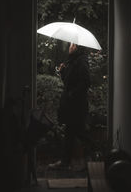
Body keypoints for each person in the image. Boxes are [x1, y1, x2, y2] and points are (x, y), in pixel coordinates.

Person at [49, 42, 91, 170]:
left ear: (76, 47)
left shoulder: (81, 61)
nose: (69, 47)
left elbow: (86, 82)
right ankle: (66, 162)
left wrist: (73, 94)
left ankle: (92, 159)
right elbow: (69, 82)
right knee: (71, 133)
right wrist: (63, 72)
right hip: (72, 105)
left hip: (77, 105)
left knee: (78, 133)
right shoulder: (73, 61)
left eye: (71, 45)